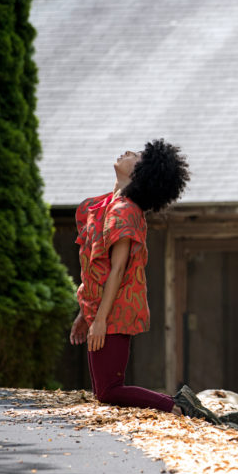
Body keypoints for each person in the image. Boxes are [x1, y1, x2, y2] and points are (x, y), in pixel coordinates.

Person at [70, 139, 218, 423]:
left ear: (140, 174)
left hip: (114, 313)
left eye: (135, 156)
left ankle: (176, 406)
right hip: (101, 311)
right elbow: (95, 268)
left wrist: (99, 320)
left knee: (109, 390)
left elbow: (118, 269)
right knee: (105, 391)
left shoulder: (124, 211)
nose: (127, 152)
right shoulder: (105, 205)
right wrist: (84, 314)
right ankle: (174, 405)